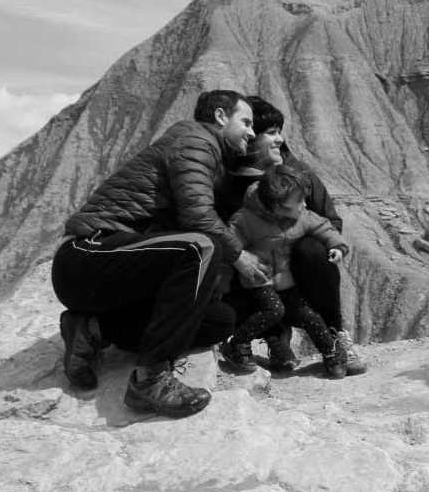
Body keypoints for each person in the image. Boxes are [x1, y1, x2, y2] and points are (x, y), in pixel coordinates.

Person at [51, 89, 269, 418]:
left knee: (217, 320)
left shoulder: (207, 153)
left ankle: (93, 329)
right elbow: (199, 217)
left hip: (114, 272)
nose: (252, 132)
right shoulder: (195, 139)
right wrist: (240, 256)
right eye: (246, 122)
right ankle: (149, 379)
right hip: (87, 254)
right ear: (221, 117)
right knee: (201, 246)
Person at [220, 95, 367, 375]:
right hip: (259, 277)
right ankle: (274, 336)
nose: (280, 139)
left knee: (312, 249)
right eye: (271, 133)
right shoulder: (232, 184)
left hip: (296, 270)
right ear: (250, 139)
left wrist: (292, 241)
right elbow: (228, 237)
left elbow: (330, 221)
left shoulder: (299, 177)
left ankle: (335, 336)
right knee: (236, 261)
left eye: (280, 132)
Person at [219, 164, 354, 378]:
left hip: (286, 283)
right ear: (277, 206)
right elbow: (229, 248)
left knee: (310, 317)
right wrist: (222, 286)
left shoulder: (300, 216)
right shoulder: (245, 220)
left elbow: (323, 226)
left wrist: (337, 246)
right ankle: (237, 343)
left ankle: (332, 352)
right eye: (299, 201)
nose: (304, 204)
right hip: (259, 282)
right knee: (274, 311)